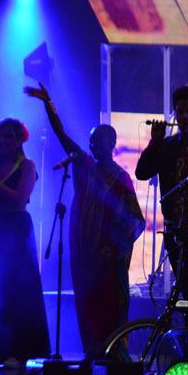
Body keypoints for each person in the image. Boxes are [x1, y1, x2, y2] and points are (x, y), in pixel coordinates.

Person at [25, 84, 145, 358]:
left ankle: (113, 353)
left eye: (98, 141)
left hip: (107, 255)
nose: (93, 145)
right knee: (86, 302)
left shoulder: (121, 178)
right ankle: (91, 353)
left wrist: (113, 247)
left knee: (108, 304)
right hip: (83, 248)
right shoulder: (84, 166)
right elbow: (61, 134)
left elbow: (131, 219)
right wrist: (48, 103)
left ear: (111, 144)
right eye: (91, 141)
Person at [0, 118, 50, 370]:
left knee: (17, 291)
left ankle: (18, 352)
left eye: (9, 137)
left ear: (19, 141)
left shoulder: (27, 166)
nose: (4, 141)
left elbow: (19, 199)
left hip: (16, 229)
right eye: (0, 136)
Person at [136, 86, 188, 306]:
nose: (183, 117)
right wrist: (155, 142)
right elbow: (141, 173)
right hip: (175, 232)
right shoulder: (167, 145)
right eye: (180, 112)